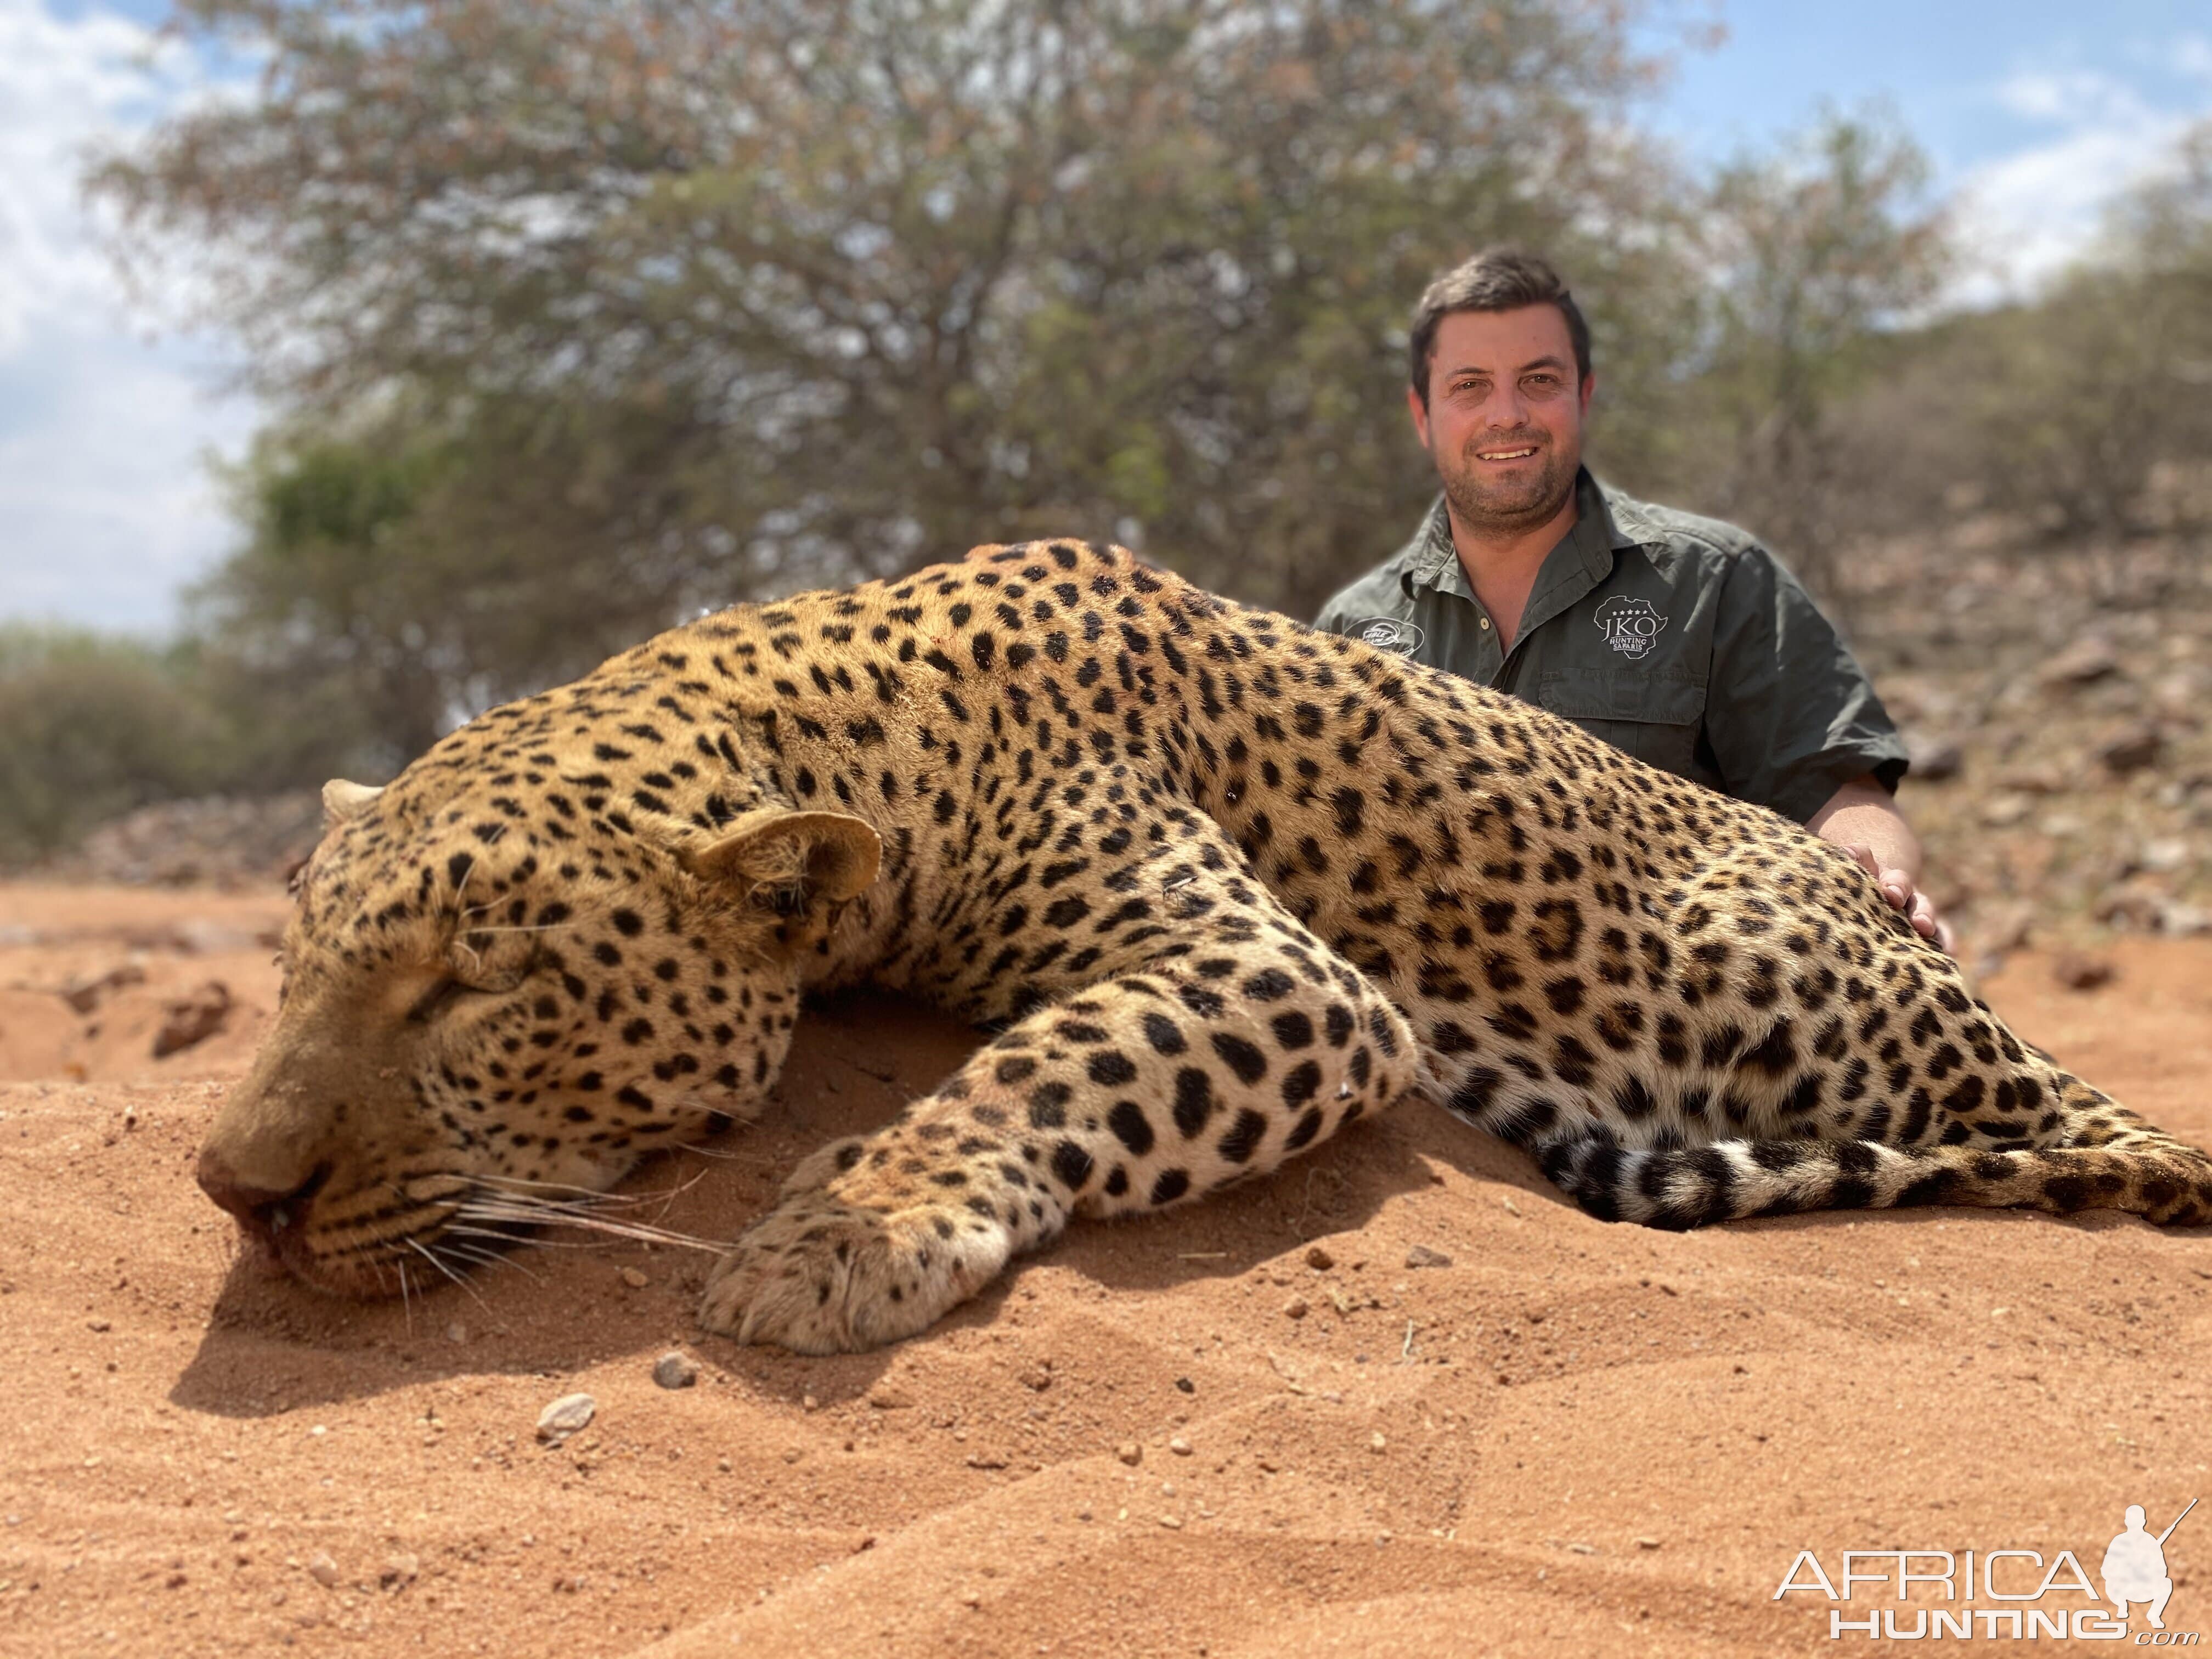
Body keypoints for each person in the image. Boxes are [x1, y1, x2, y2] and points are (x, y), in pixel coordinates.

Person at [1316, 248, 1949, 950]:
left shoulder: (1718, 577)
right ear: (1423, 415)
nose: (1507, 414)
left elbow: (1839, 791)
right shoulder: (1346, 636)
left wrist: (1875, 877)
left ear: (1583, 396)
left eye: (1539, 380)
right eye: (1469, 385)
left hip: (1675, 1030)